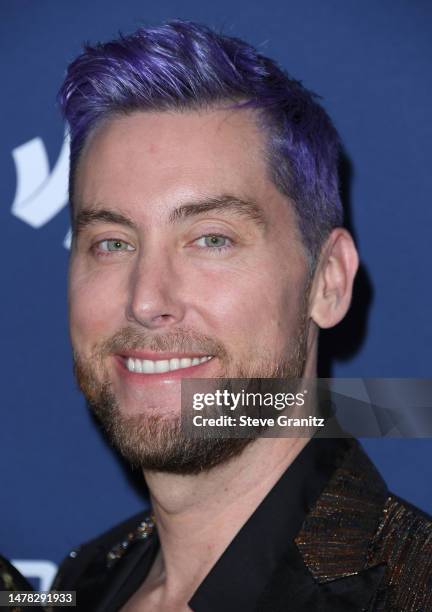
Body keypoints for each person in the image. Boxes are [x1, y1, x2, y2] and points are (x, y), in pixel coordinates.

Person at [52, 20, 432, 611]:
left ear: (328, 282)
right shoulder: (83, 582)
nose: (146, 300)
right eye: (112, 242)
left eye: (211, 240)